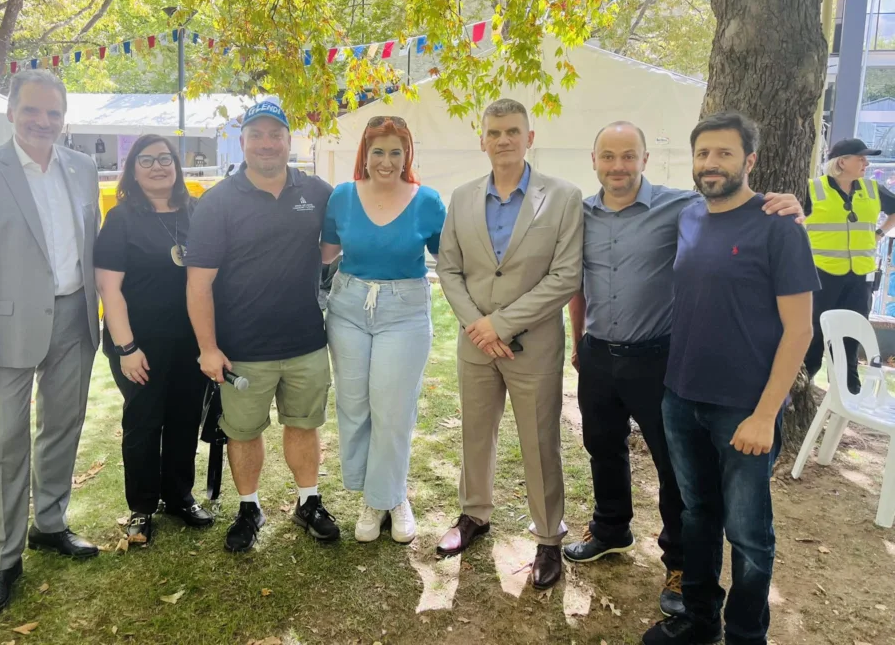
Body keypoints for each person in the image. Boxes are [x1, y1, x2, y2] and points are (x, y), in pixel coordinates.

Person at [566, 122, 803, 619]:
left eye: (628, 156)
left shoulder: (684, 208)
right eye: (607, 156)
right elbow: (576, 282)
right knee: (602, 448)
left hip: (658, 359)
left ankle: (678, 563)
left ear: (646, 159)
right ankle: (611, 529)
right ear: (593, 160)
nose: (618, 166)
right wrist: (577, 342)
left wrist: (792, 205)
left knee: (676, 471)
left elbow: (739, 213)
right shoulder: (580, 213)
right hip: (596, 354)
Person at [642, 112, 818, 645]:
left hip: (744, 409)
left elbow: (800, 330)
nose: (711, 164)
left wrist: (766, 413)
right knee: (697, 517)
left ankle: (745, 634)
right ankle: (698, 622)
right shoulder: (689, 216)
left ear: (750, 161)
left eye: (723, 153)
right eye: (703, 154)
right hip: (680, 397)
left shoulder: (779, 226)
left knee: (748, 534)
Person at [0, 70, 101, 620]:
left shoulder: (81, 168)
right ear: (11, 112)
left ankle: (49, 525)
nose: (43, 122)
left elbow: (90, 244)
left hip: (73, 318)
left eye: (54, 113)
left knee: (63, 428)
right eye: (32, 111)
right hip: (3, 333)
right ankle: (3, 560)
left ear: (64, 118)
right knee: (6, 444)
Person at [435, 98, 582, 590]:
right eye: (494, 132)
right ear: (483, 140)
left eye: (513, 131)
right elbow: (449, 269)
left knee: (540, 442)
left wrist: (502, 323)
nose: (503, 140)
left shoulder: (562, 197)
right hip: (475, 342)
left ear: (529, 138)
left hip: (534, 344)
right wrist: (478, 324)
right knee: (476, 432)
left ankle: (547, 537)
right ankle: (474, 515)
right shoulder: (461, 197)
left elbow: (565, 276)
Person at [185, 98, 340, 552]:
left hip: (306, 340)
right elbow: (198, 285)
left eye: (276, 134)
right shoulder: (217, 203)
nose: (267, 143)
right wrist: (208, 348)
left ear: (290, 139)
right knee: (243, 432)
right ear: (243, 141)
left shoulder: (318, 192)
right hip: (241, 349)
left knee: (303, 424)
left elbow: (332, 250)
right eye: (257, 134)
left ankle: (308, 502)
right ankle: (249, 507)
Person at [319, 116, 446, 544]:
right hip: (349, 305)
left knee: (392, 408)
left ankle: (390, 497)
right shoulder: (341, 197)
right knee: (354, 406)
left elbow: (452, 258)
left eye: (396, 152)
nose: (387, 161)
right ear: (365, 154)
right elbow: (323, 253)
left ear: (407, 155)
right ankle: (371, 492)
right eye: (378, 151)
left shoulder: (427, 201)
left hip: (404, 309)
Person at [94, 135, 214, 547]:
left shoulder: (196, 212)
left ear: (177, 166)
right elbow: (110, 290)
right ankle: (141, 507)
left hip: (190, 341)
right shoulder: (122, 218)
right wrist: (126, 348)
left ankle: (179, 496)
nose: (158, 166)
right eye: (146, 160)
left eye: (165, 158)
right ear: (133, 170)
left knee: (184, 419)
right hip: (139, 344)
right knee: (144, 424)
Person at [803, 138, 895, 393]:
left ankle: (847, 396)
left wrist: (879, 233)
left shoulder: (872, 189)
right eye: (861, 158)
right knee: (813, 339)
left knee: (850, 342)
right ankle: (798, 397)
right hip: (821, 277)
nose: (866, 162)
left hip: (860, 278)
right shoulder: (812, 189)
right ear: (842, 162)